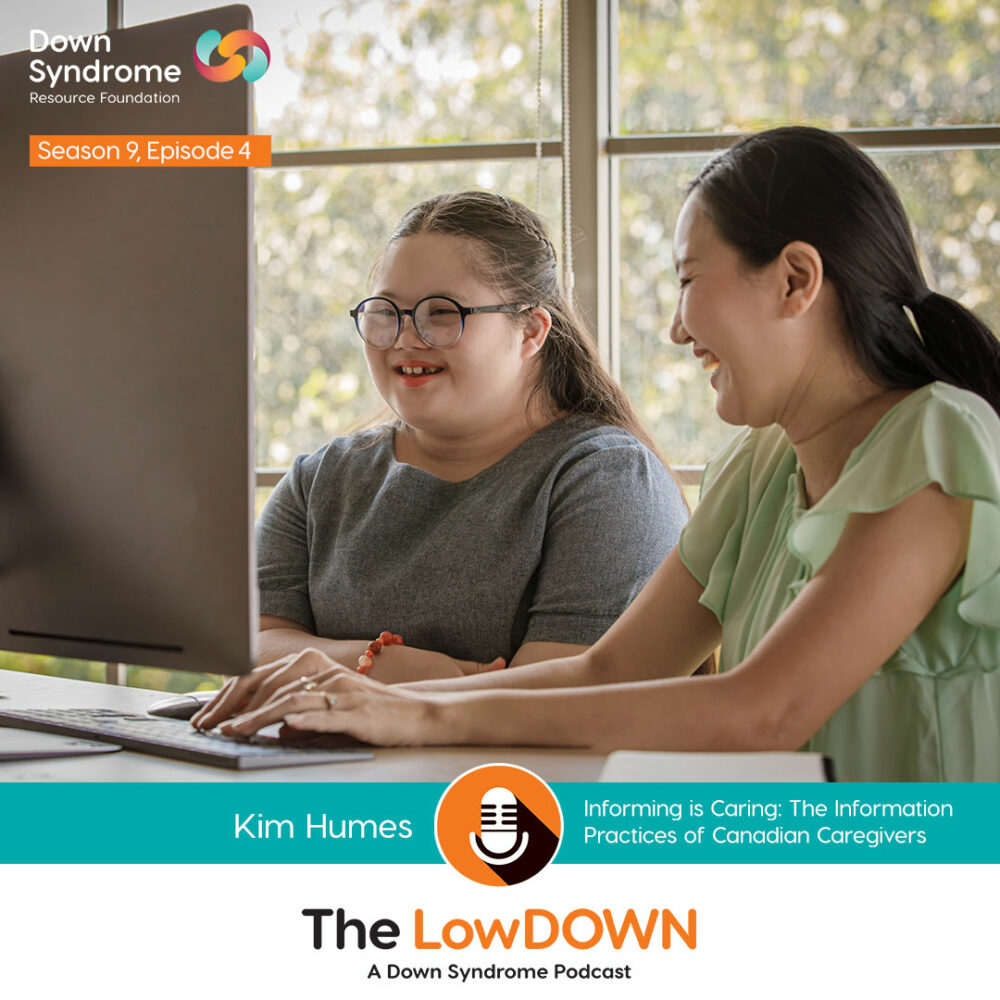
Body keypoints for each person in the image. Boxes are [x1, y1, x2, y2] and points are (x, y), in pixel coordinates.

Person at [203, 127, 1000, 782]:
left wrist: (412, 708)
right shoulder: (758, 466)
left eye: (689, 281)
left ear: (795, 279)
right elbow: (611, 671)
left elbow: (761, 712)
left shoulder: (937, 441)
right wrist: (388, 700)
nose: (678, 330)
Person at [192, 192, 688, 728]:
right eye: (386, 313)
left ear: (531, 331)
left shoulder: (605, 478)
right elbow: (247, 660)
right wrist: (386, 665)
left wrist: (334, 669)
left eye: (442, 314)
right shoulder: (321, 478)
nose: (405, 338)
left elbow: (555, 712)